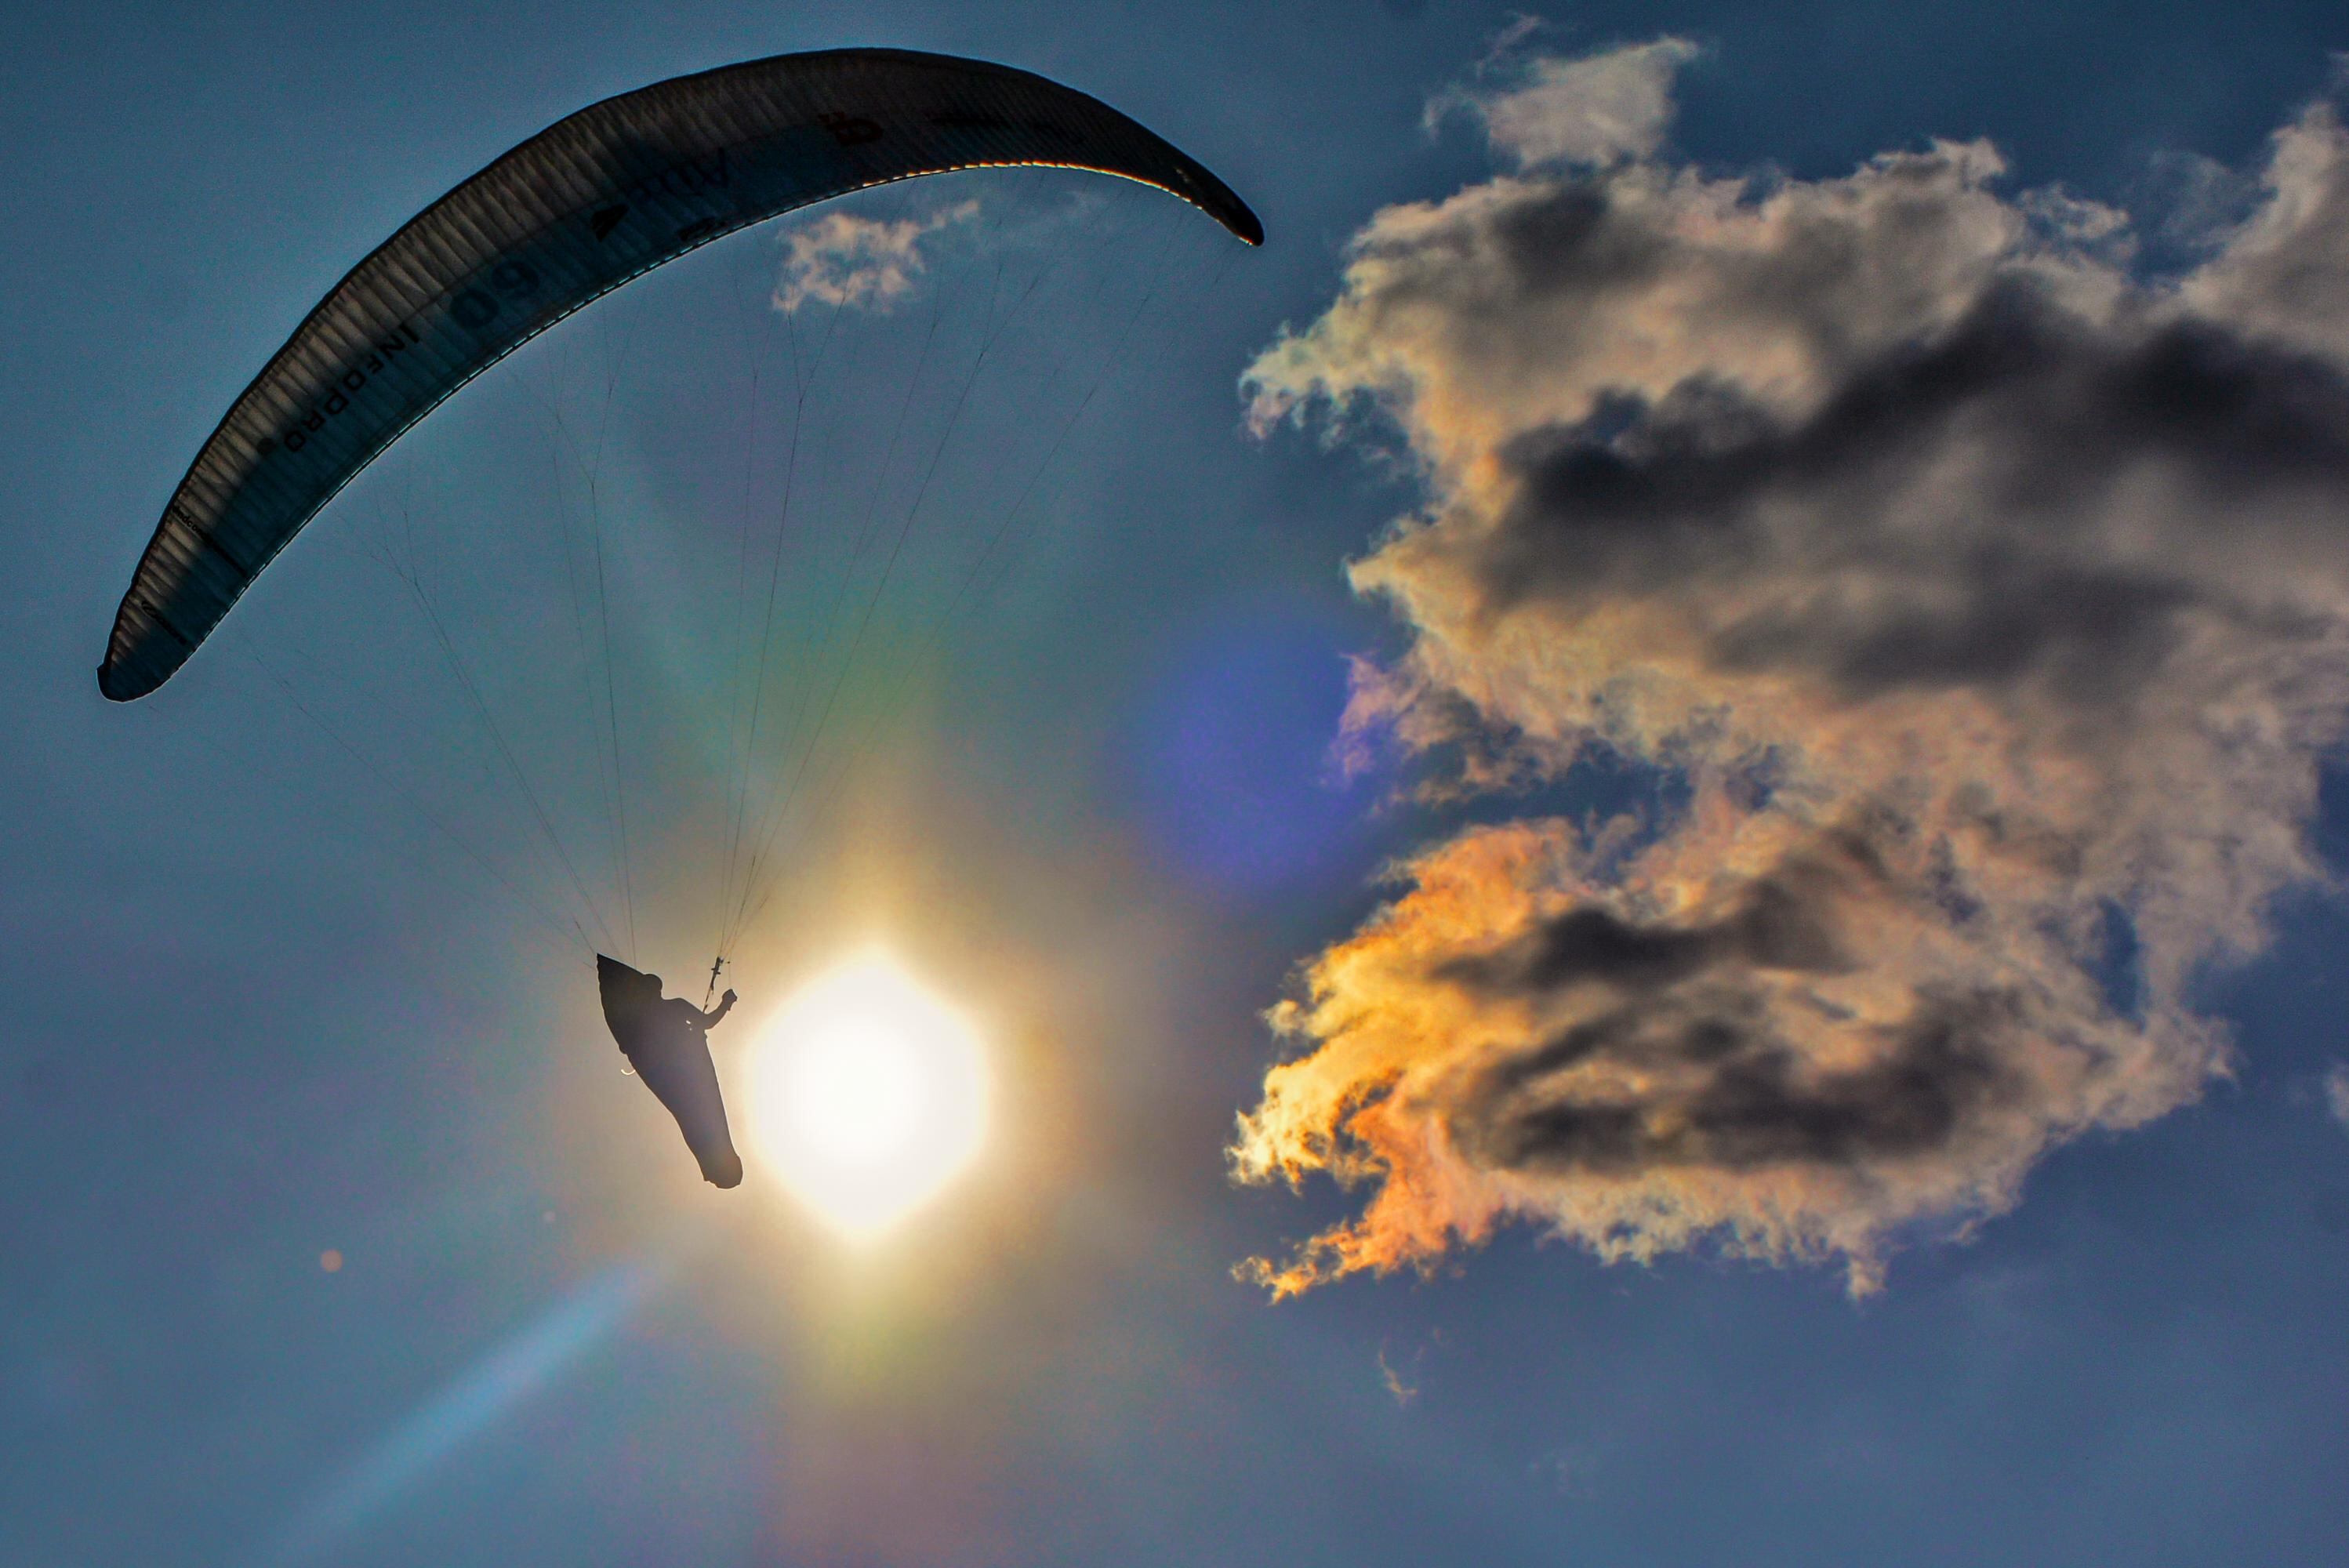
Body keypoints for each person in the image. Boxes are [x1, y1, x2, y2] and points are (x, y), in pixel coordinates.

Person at [595, 955, 744, 1188]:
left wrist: (726, 1004)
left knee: (696, 1112)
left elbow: (707, 1022)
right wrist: (724, 1004)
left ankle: (718, 1163)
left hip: (679, 1067)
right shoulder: (644, 1016)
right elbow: (706, 1023)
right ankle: (717, 1162)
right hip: (669, 1069)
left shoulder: (673, 1007)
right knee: (693, 1112)